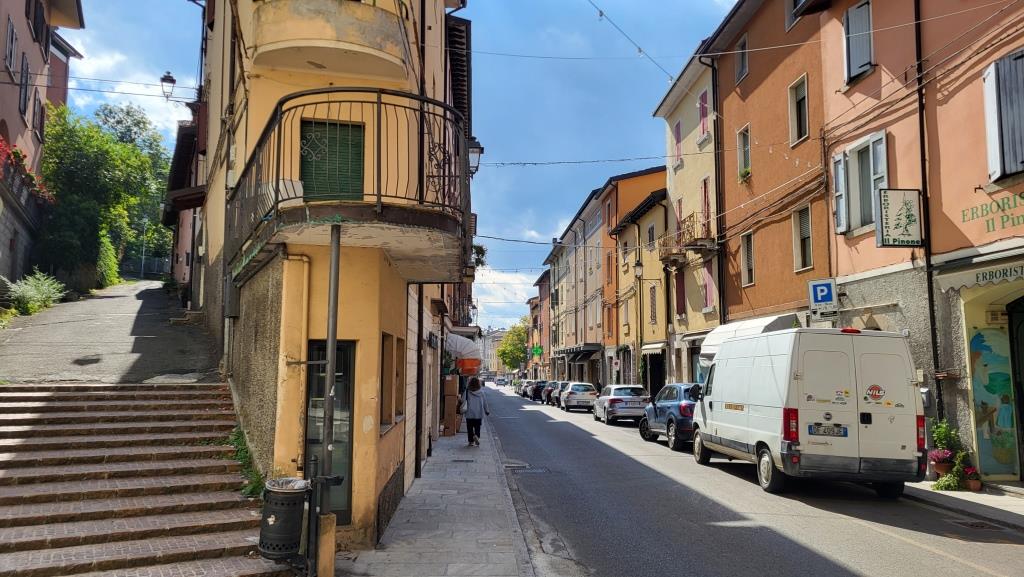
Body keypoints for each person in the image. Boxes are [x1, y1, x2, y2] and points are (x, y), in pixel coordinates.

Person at [463, 377, 489, 447]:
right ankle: (477, 436)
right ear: (478, 384)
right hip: (478, 413)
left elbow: (463, 400)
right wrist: (487, 411)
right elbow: (485, 403)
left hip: (469, 413)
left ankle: (471, 441)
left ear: (470, 383)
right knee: (477, 427)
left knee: (469, 428)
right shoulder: (481, 392)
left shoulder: (467, 391)